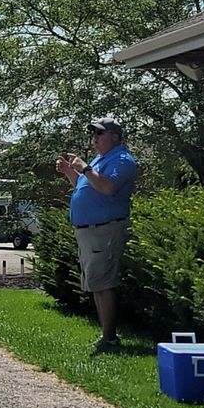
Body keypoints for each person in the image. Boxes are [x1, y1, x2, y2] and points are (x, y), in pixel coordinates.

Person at [59, 116, 140, 350]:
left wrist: (84, 167)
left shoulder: (122, 160)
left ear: (115, 137)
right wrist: (69, 172)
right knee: (96, 282)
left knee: (103, 283)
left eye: (99, 134)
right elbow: (86, 187)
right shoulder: (102, 159)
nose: (95, 138)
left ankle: (110, 338)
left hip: (104, 230)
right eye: (94, 134)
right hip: (90, 232)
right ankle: (107, 336)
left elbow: (106, 187)